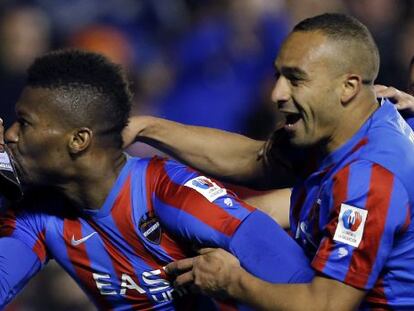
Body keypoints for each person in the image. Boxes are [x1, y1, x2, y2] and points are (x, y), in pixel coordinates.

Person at [125, 13, 414, 309]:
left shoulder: (370, 178)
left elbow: (326, 306)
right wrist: (146, 128)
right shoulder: (349, 119)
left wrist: (231, 282)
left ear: (348, 87)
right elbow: (256, 159)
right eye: (279, 75)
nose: (277, 93)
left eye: (296, 79)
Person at [0, 49, 314, 310]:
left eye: (24, 123)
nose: (9, 135)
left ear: (79, 140)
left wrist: (236, 284)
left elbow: (304, 287)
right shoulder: (37, 216)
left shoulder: (169, 191)